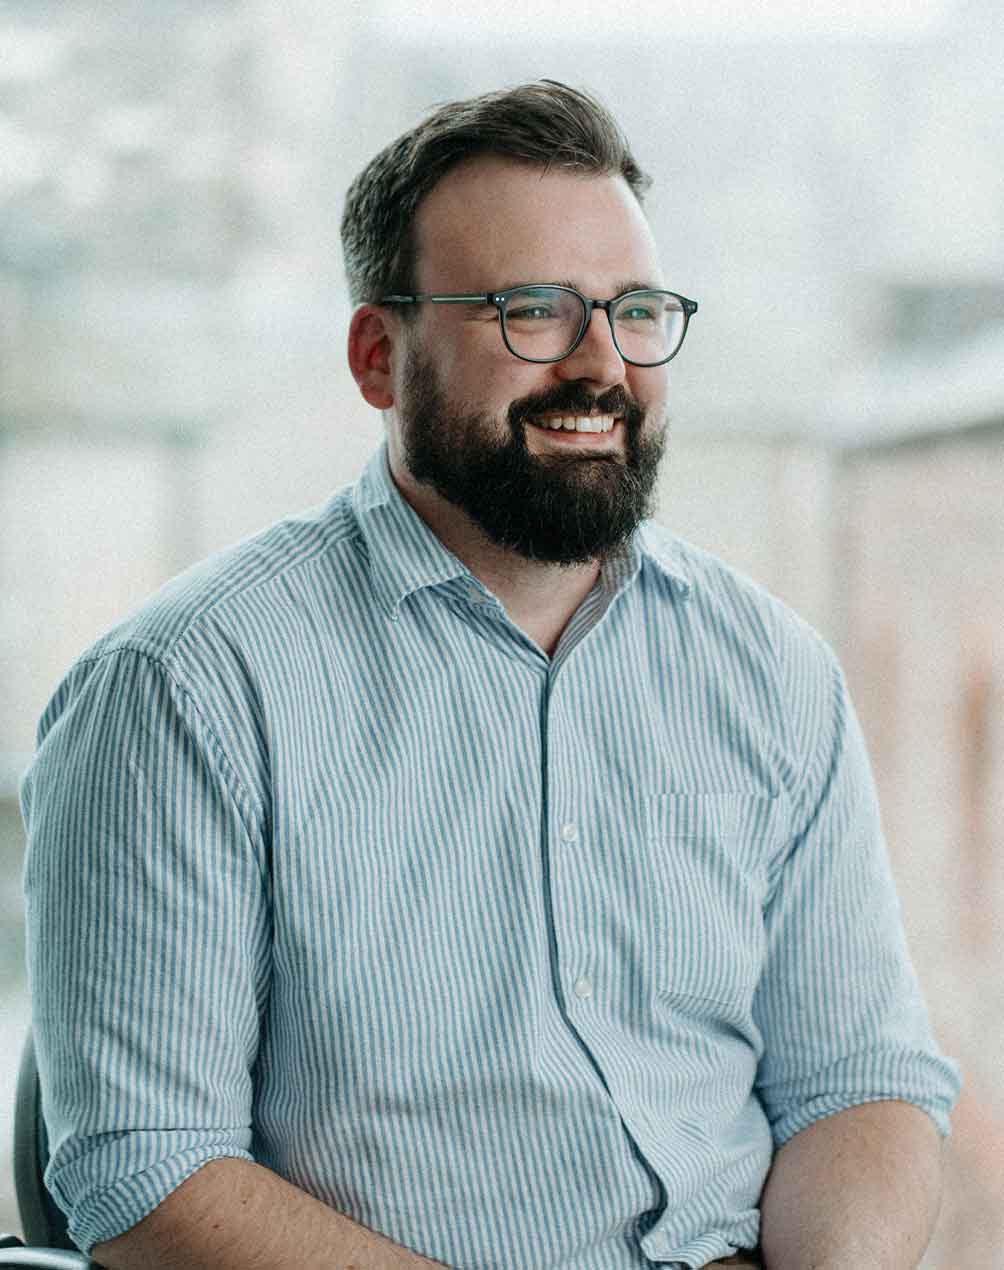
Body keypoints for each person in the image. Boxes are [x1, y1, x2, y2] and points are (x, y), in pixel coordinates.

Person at [20, 80, 961, 1270]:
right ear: (377, 356)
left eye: (634, 311)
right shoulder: (182, 692)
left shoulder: (769, 672)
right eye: (531, 311)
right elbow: (144, 1173)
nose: (599, 364)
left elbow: (859, 1084)